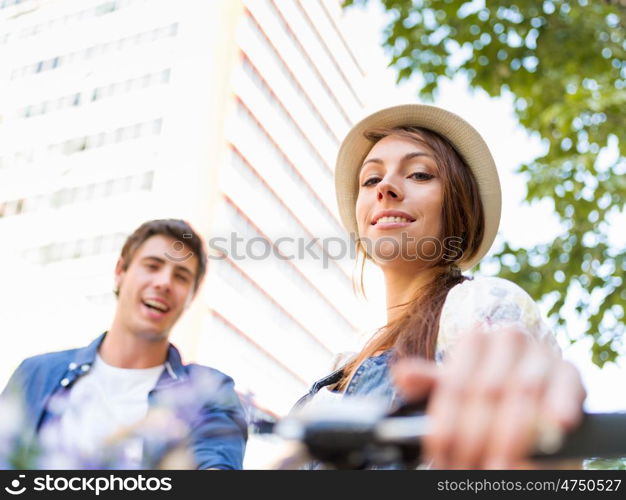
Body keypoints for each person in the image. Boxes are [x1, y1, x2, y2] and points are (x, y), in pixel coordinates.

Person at [292, 104, 585, 469]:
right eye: (371, 179)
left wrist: (541, 449)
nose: (385, 187)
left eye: (418, 174)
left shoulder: (479, 304)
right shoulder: (341, 371)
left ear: (459, 207)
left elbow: (520, 440)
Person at [1, 219, 247, 469]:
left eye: (181, 277)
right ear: (120, 272)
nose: (164, 283)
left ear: (191, 298)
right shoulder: (36, 374)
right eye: (152, 266)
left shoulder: (209, 392)